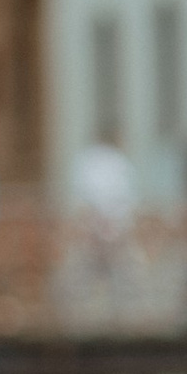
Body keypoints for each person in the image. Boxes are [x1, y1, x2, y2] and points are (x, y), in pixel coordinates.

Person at [64, 124, 139, 314]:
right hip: (100, 225)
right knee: (90, 272)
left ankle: (118, 311)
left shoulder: (99, 161)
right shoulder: (103, 161)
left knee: (117, 273)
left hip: (108, 225)